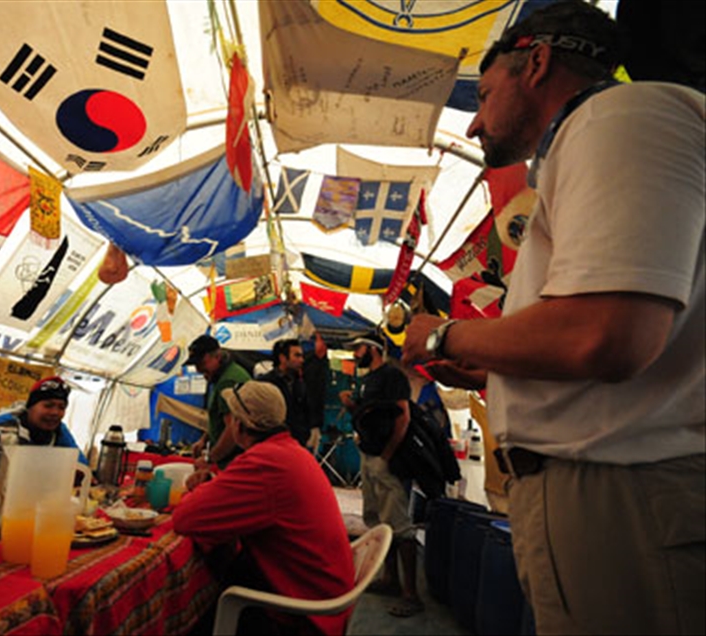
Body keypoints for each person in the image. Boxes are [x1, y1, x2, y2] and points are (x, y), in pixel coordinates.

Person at [403, 2, 705, 634]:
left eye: (484, 96)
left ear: (536, 62)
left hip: (618, 499)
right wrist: (487, 367)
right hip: (602, 491)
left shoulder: (620, 116)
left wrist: (446, 333)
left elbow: (606, 335)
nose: (477, 123)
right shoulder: (597, 138)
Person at [173, 381, 354, 635]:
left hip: (307, 614)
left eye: (231, 416)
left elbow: (184, 519)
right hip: (323, 592)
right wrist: (213, 485)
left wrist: (200, 489)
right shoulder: (289, 451)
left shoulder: (264, 463)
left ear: (240, 424)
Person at [338, 330, 423, 618]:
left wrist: (388, 455)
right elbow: (372, 414)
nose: (354, 354)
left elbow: (403, 416)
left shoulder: (392, 376)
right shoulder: (369, 379)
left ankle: (411, 594)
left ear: (371, 349)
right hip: (369, 455)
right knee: (375, 520)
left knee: (398, 523)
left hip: (385, 459)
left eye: (357, 348)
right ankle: (390, 579)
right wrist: (352, 405)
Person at [185, 335, 251, 487]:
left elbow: (232, 431)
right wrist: (204, 439)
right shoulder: (220, 376)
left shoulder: (229, 381)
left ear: (217, 356)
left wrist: (209, 458)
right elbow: (221, 418)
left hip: (235, 464)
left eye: (201, 363)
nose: (198, 370)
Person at [0, 376, 88, 464]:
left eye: (61, 407)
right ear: (30, 407)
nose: (55, 412)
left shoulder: (59, 431)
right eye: (48, 406)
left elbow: (79, 461)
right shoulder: (5, 427)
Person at [260, 338, 321, 451]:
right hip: (274, 444)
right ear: (283, 358)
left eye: (302, 356)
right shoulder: (267, 384)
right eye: (297, 356)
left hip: (298, 443)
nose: (301, 360)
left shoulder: (300, 382)